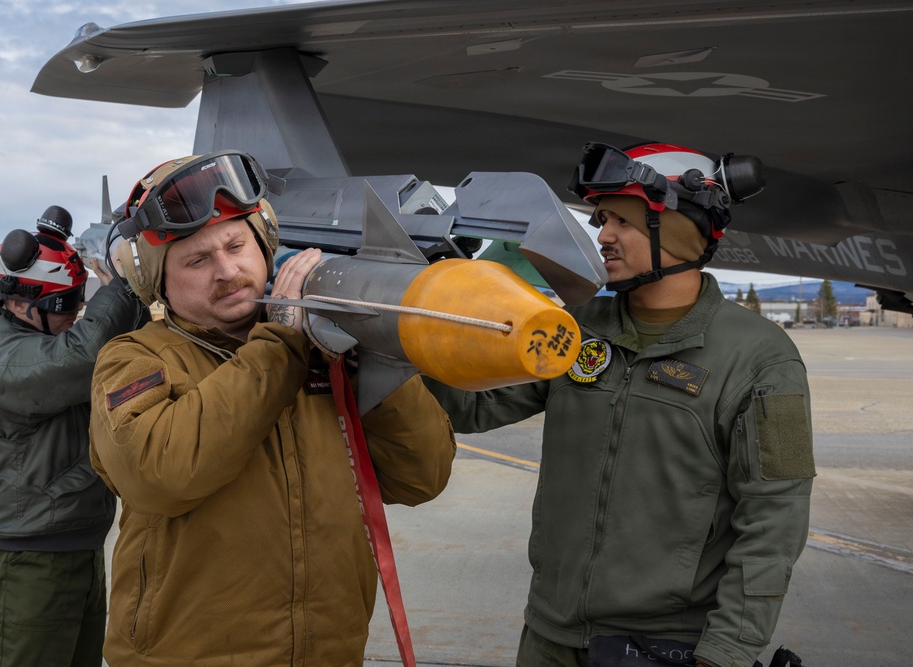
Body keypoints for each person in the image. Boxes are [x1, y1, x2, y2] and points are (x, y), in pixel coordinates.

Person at [426, 142, 815, 667]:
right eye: (602, 220)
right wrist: (415, 331)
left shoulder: (764, 358)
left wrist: (727, 651)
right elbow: (473, 407)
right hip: (550, 632)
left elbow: (776, 516)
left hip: (668, 645)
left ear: (679, 231)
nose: (603, 236)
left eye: (622, 222)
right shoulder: (575, 327)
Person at [87, 151, 456, 666]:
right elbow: (160, 474)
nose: (227, 271)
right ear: (157, 281)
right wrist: (281, 339)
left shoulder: (327, 351)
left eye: (236, 245)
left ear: (264, 243)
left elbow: (422, 477)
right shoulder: (134, 359)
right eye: (197, 261)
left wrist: (371, 354)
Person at [0, 205, 148, 666]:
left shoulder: (41, 348)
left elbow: (114, 347)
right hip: (25, 564)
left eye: (80, 301)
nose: (75, 313)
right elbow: (82, 355)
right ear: (18, 303)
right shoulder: (1, 362)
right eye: (64, 305)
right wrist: (123, 283)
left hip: (76, 550)